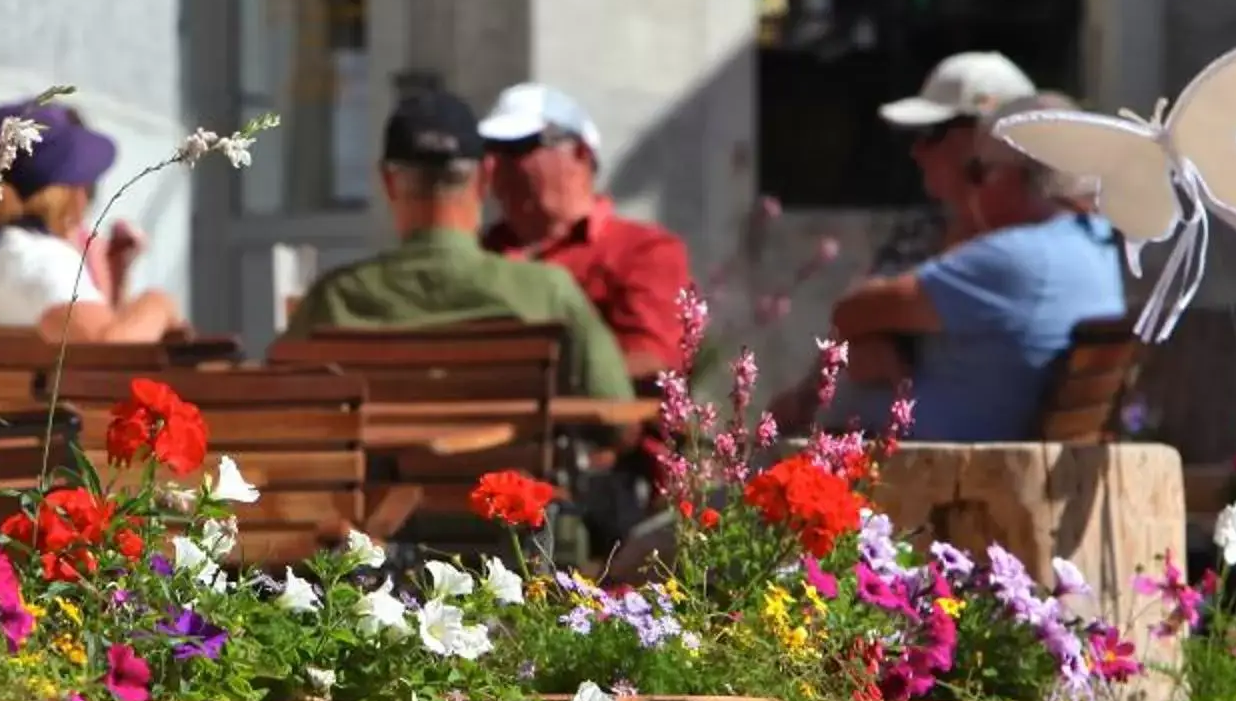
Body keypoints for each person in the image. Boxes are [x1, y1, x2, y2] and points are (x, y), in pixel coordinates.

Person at [775, 111, 1126, 442]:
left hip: (924, 465)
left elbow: (850, 312)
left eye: (977, 171)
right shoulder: (1091, 240)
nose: (916, 151)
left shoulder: (1015, 257)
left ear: (1012, 176)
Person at [285, 91, 630, 399]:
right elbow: (616, 417)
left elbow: (280, 398)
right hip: (511, 471)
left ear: (389, 182)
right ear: (484, 179)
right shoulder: (548, 292)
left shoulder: (334, 300)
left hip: (374, 472)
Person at [476, 82, 695, 381]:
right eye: (488, 151)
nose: (493, 165)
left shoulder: (645, 251)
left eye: (516, 147)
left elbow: (652, 360)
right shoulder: (477, 252)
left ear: (579, 152)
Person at [0, 100, 182, 341]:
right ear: (70, 194)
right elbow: (108, 349)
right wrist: (157, 303)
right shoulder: (42, 259)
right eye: (85, 182)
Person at [865, 50, 1037, 275]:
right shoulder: (920, 232)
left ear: (984, 138)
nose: (916, 151)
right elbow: (866, 306)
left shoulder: (1054, 241)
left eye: (931, 133)